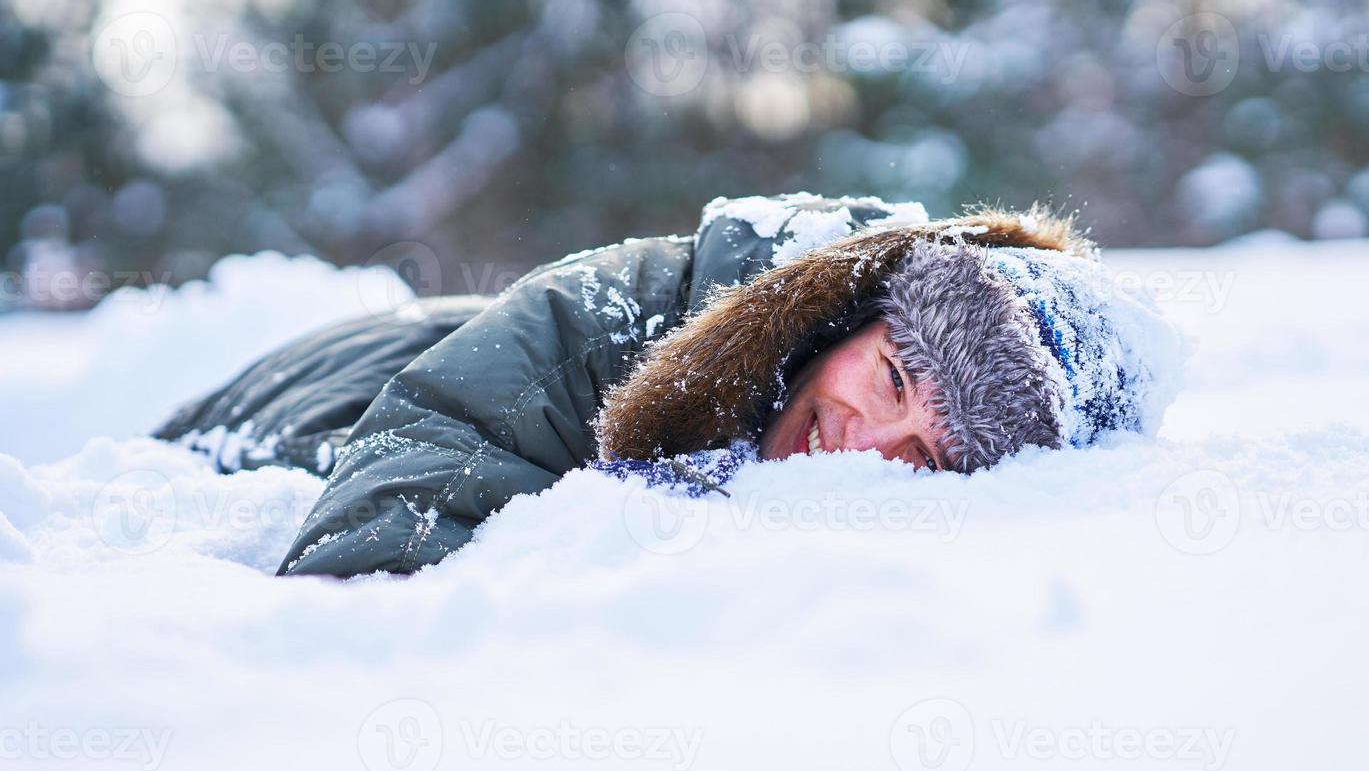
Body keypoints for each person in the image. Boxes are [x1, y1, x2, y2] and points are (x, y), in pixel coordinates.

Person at [153, 193, 1183, 577]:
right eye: (895, 373)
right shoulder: (626, 314)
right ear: (856, 314)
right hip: (299, 395)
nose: (867, 436)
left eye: (924, 451)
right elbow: (369, 556)